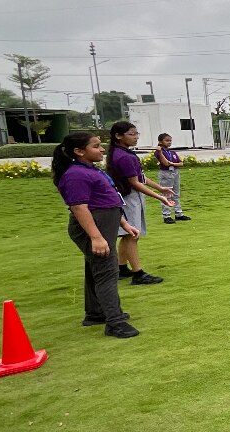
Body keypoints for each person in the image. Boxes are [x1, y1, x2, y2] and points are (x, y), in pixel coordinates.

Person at [53, 132, 141, 338]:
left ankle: (95, 313)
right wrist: (96, 237)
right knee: (107, 271)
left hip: (106, 223)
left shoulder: (90, 169)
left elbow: (106, 199)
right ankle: (114, 322)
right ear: (79, 151)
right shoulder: (76, 175)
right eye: (96, 146)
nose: (102, 150)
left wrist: (124, 223)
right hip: (96, 226)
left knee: (96, 268)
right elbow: (79, 208)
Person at [105, 121, 173, 286]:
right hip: (128, 198)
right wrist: (160, 197)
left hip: (129, 196)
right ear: (118, 136)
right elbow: (135, 183)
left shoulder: (123, 153)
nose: (135, 137)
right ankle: (138, 273)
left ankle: (122, 268)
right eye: (131, 134)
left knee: (128, 235)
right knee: (132, 235)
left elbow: (140, 177)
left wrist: (160, 188)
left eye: (137, 134)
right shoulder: (123, 156)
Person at [153, 133, 191, 224]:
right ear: (160, 142)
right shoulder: (159, 152)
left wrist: (172, 164)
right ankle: (167, 215)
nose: (169, 142)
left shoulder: (172, 152)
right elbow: (165, 163)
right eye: (167, 140)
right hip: (166, 173)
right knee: (167, 194)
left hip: (175, 172)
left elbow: (181, 163)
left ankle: (178, 213)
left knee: (176, 194)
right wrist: (160, 152)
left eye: (170, 140)